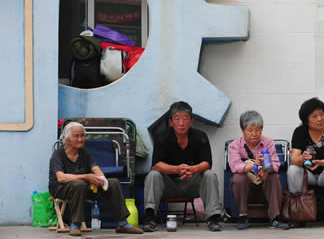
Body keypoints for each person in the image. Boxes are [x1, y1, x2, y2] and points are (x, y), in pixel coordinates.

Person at [48, 122, 143, 236]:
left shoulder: (85, 153)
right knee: (79, 184)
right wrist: (86, 177)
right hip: (60, 189)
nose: (80, 139)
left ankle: (123, 224)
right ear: (66, 139)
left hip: (82, 187)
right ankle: (75, 224)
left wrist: (101, 180)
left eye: (82, 135)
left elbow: (97, 170)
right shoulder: (58, 155)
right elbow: (61, 178)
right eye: (76, 136)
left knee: (113, 183)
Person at [142, 101, 223, 232]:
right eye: (177, 119)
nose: (181, 123)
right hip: (168, 185)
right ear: (171, 122)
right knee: (153, 175)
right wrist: (177, 169)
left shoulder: (200, 136)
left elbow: (207, 163)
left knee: (210, 174)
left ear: (191, 121)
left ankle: (213, 219)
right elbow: (156, 165)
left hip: (192, 183)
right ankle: (150, 218)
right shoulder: (162, 137)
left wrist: (192, 169)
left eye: (185, 118)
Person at [228, 111, 289, 230]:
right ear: (242, 130)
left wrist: (266, 170)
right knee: (238, 178)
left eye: (258, 130)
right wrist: (253, 165)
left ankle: (274, 218)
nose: (254, 134)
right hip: (246, 186)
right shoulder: (235, 145)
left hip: (264, 184)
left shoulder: (268, 143)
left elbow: (276, 163)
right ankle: (243, 216)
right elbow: (234, 166)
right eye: (250, 130)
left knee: (274, 176)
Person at [287, 97, 324, 228]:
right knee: (293, 170)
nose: (320, 119)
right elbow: (294, 159)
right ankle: (298, 213)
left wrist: (320, 162)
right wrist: (302, 158)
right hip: (308, 175)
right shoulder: (300, 132)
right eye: (314, 116)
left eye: (322, 114)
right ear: (306, 120)